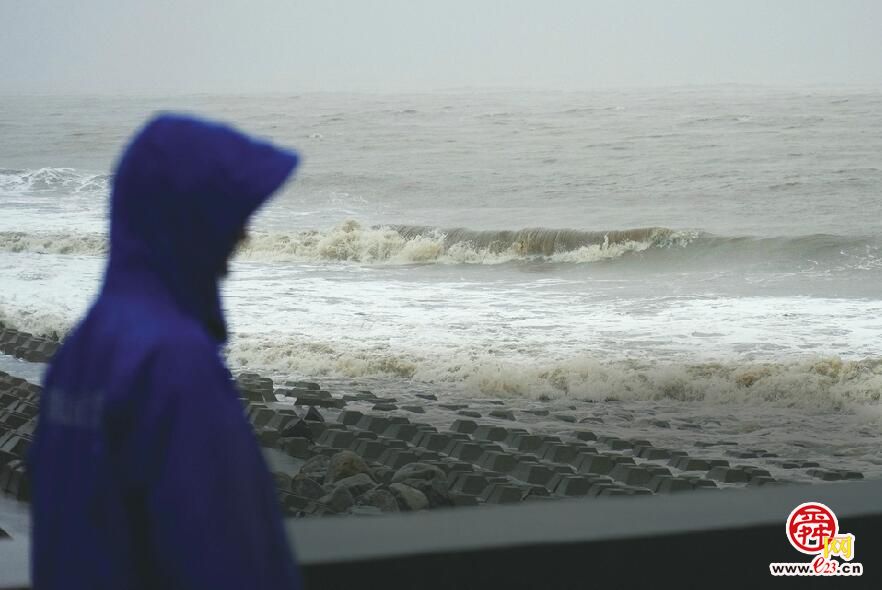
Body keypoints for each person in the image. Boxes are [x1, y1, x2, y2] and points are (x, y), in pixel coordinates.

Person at [27, 114, 302, 589]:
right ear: (189, 219)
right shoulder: (174, 364)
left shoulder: (82, 351)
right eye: (231, 217)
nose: (243, 238)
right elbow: (223, 557)